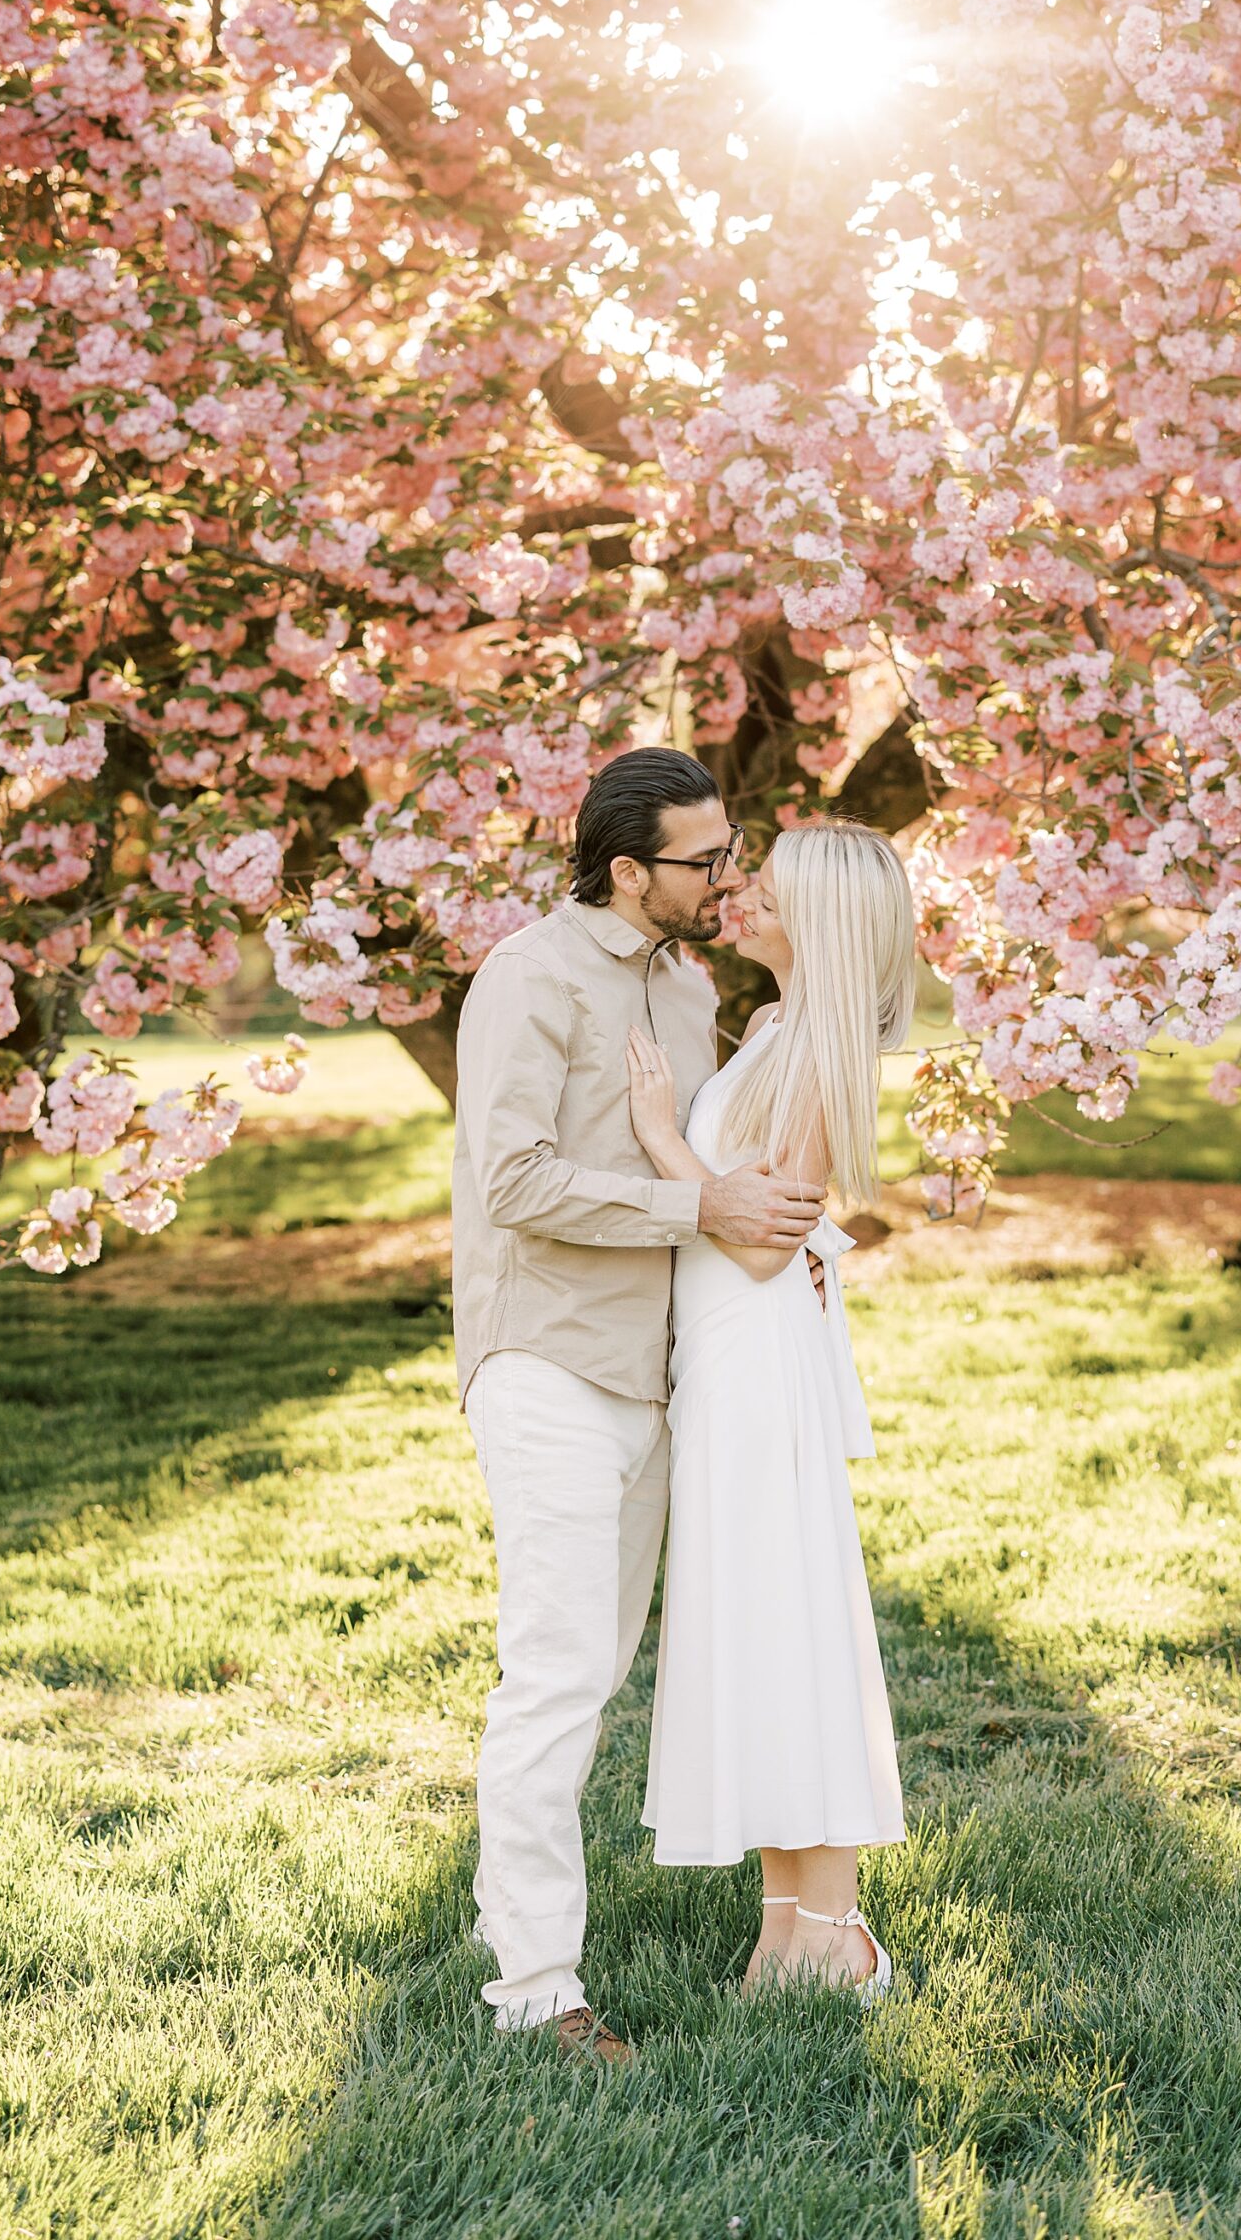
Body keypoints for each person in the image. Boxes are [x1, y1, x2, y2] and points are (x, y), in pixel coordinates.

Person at [453, 748, 825, 2062]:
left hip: (660, 1377)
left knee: (595, 1671)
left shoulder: (686, 984)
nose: (726, 877)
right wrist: (698, 1205)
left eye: (731, 853)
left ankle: (510, 1916)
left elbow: (714, 1162)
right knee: (556, 1673)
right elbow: (512, 1181)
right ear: (627, 870)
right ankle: (534, 1988)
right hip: (546, 1358)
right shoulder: (530, 975)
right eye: (702, 860)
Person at [625, 819, 915, 2001]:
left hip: (757, 1353)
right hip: (724, 1358)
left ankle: (839, 1934)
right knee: (751, 1626)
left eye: (768, 885)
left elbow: (758, 1247)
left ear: (820, 919)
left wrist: (659, 1137)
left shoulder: (821, 1049)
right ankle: (785, 1928)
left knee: (790, 1627)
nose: (739, 890)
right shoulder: (771, 1031)